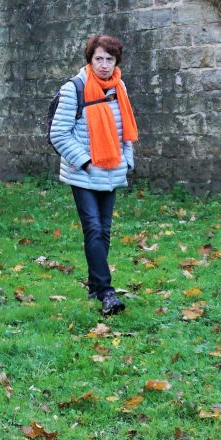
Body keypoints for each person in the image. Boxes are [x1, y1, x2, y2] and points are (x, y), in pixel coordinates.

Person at [49, 34, 138, 317]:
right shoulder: (74, 89)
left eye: (109, 59)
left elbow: (125, 131)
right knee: (94, 228)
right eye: (98, 58)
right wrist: (86, 162)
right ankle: (107, 293)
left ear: (116, 62)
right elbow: (59, 133)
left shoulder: (119, 88)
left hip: (112, 170)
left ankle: (94, 285)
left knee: (104, 230)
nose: (103, 65)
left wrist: (128, 162)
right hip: (84, 172)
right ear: (90, 59)